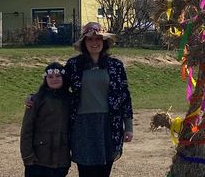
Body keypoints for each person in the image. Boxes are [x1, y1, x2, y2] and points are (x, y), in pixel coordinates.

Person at [26, 22, 134, 177]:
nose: (94, 43)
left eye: (98, 39)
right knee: (86, 171)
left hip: (109, 124)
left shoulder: (115, 65)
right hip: (82, 125)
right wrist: (35, 97)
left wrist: (128, 127)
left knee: (104, 170)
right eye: (90, 39)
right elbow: (57, 84)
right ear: (84, 42)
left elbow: (124, 96)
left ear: (104, 41)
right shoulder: (74, 65)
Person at [20, 62, 72, 177]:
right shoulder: (36, 100)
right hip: (39, 159)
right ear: (45, 79)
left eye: (58, 76)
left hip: (61, 159)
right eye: (50, 77)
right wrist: (27, 156)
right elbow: (27, 129)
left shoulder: (70, 100)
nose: (54, 79)